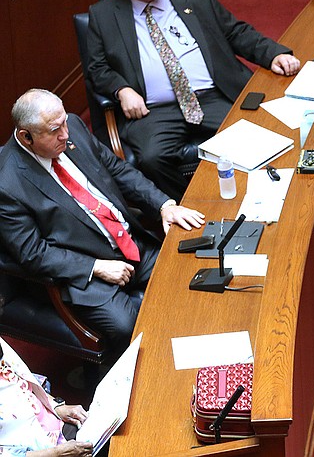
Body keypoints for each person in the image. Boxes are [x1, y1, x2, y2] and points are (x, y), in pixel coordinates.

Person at [86, 0, 302, 201]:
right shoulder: (104, 15)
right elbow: (97, 68)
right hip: (154, 109)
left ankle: (257, 199)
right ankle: (193, 203)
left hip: (210, 96)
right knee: (152, 158)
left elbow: (235, 32)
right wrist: (122, 89)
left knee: (258, 136)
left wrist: (273, 54)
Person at [0, 89, 206, 354]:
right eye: (54, 130)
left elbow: (117, 170)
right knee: (127, 325)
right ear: (26, 137)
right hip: (86, 273)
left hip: (128, 243)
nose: (65, 133)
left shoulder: (72, 126)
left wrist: (163, 205)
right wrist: (96, 267)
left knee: (190, 269)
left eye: (64, 122)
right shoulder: (7, 184)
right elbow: (33, 253)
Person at [0, 336, 93, 456]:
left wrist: (56, 406)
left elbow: (20, 376)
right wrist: (55, 453)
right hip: (33, 451)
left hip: (55, 425)